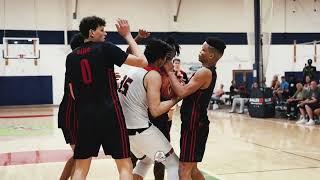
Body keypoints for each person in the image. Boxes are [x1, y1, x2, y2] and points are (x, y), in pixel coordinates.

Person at [65, 16, 148, 180]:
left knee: (81, 167)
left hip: (85, 116)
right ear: (91, 32)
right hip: (111, 114)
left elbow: (72, 92)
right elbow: (142, 61)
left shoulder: (71, 57)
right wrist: (127, 35)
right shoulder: (106, 48)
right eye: (102, 30)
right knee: (124, 165)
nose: (105, 33)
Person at [164, 37, 226, 180]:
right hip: (194, 124)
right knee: (192, 169)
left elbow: (182, 92)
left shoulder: (204, 72)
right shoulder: (205, 71)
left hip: (194, 125)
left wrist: (170, 72)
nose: (199, 52)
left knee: (184, 169)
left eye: (203, 50)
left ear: (211, 55)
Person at [118, 39, 179, 180]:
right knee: (173, 164)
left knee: (145, 161)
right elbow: (156, 111)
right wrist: (175, 99)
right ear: (161, 59)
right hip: (141, 129)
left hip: (125, 131)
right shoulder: (153, 75)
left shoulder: (134, 68)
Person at [58, 33, 84, 180]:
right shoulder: (75, 62)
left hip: (75, 116)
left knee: (79, 156)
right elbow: (76, 93)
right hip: (70, 115)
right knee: (80, 156)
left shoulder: (78, 62)